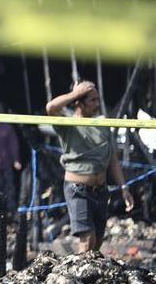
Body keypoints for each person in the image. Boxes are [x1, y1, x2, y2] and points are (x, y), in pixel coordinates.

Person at [45, 80, 134, 252]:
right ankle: (78, 277)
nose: (97, 104)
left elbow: (112, 159)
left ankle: (89, 277)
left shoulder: (102, 124)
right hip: (78, 189)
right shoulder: (68, 124)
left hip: (100, 191)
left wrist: (124, 187)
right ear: (79, 102)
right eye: (92, 100)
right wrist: (75, 93)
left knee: (96, 243)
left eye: (97, 100)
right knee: (87, 239)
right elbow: (51, 108)